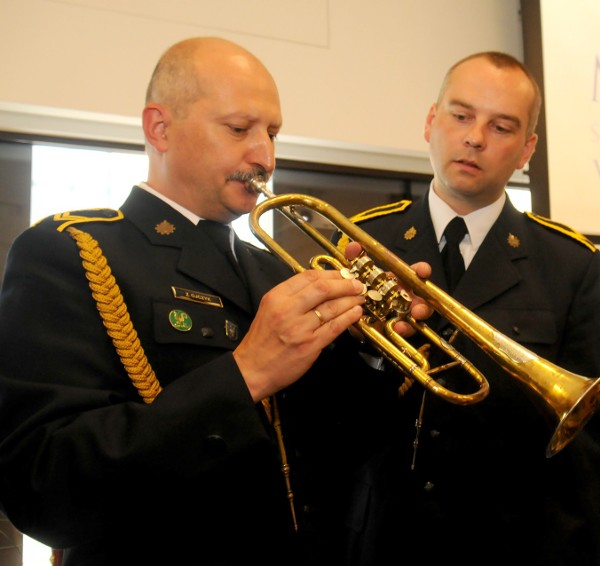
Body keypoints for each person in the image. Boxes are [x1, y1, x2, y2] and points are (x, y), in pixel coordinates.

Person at [0, 37, 431, 566]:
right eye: (238, 129)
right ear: (160, 128)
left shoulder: (274, 270)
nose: (265, 155)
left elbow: (338, 455)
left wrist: (380, 348)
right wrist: (245, 372)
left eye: (272, 132)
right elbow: (46, 489)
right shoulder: (74, 250)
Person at [336, 51, 600, 566]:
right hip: (382, 535)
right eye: (461, 116)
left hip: (508, 542)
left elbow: (585, 447)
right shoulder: (364, 239)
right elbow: (325, 408)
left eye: (501, 126)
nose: (475, 138)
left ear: (527, 149)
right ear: (430, 121)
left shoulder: (567, 262)